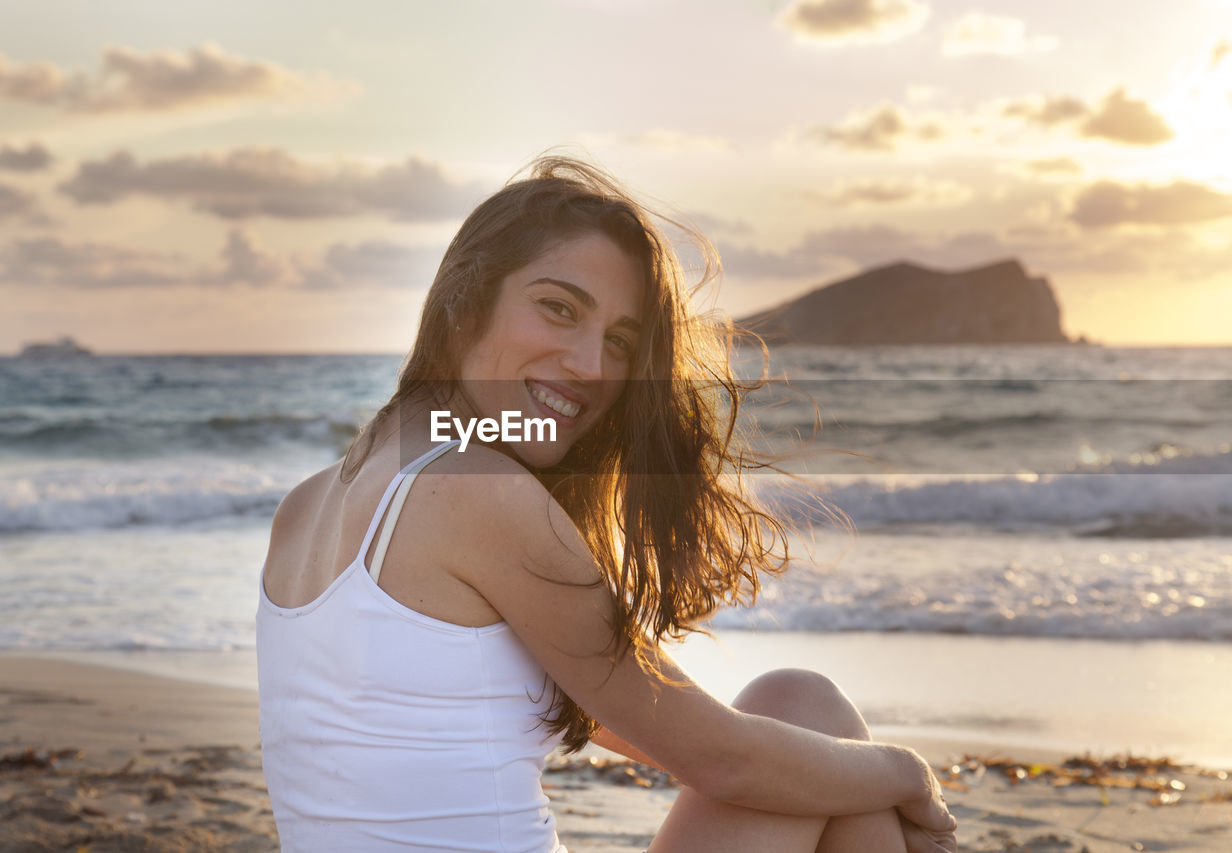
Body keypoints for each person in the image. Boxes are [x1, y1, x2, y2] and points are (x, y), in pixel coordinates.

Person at [256, 155, 957, 852]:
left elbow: (612, 718)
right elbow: (722, 760)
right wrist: (907, 773)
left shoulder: (313, 501)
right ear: (465, 302)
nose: (591, 366)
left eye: (619, 342)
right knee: (820, 729)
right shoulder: (480, 493)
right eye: (559, 309)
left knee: (800, 712)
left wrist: (828, 776)